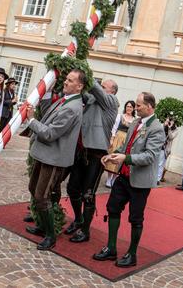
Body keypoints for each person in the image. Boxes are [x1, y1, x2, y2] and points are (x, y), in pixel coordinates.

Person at [93, 92, 165, 268]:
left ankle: (132, 254)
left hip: (140, 182)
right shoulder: (135, 123)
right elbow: (126, 147)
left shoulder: (157, 128)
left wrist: (125, 158)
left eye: (139, 105)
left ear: (149, 107)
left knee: (135, 218)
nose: (135, 107)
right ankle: (111, 248)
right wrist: (112, 155)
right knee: (112, 208)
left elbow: (149, 156)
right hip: (124, 176)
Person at [23, 69, 85, 251]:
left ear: (79, 86)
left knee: (42, 196)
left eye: (70, 80)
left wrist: (31, 120)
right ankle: (43, 227)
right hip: (45, 154)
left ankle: (50, 235)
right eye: (66, 79)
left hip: (53, 158)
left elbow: (50, 133)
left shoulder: (72, 107)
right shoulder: (66, 101)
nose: (65, 82)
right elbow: (49, 119)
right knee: (34, 189)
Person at [64, 78, 119, 243]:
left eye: (104, 87)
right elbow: (84, 93)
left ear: (111, 91)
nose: (100, 89)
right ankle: (79, 219)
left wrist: (84, 73)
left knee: (88, 194)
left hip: (96, 154)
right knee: (73, 189)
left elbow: (95, 89)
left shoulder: (111, 101)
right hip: (81, 151)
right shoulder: (92, 99)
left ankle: (86, 231)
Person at [106, 100, 136, 187]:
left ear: (133, 109)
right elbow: (114, 128)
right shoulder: (120, 116)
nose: (129, 108)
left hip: (126, 140)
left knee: (120, 160)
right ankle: (108, 179)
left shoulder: (134, 120)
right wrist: (112, 138)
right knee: (113, 157)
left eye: (130, 107)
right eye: (127, 106)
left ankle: (114, 178)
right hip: (118, 137)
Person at [157, 117, 177, 184]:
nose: (170, 121)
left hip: (165, 149)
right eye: (169, 120)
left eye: (172, 120)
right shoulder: (162, 125)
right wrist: (164, 125)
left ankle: (157, 179)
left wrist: (169, 128)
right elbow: (157, 132)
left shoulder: (175, 130)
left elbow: (171, 137)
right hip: (157, 146)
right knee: (154, 163)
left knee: (161, 164)